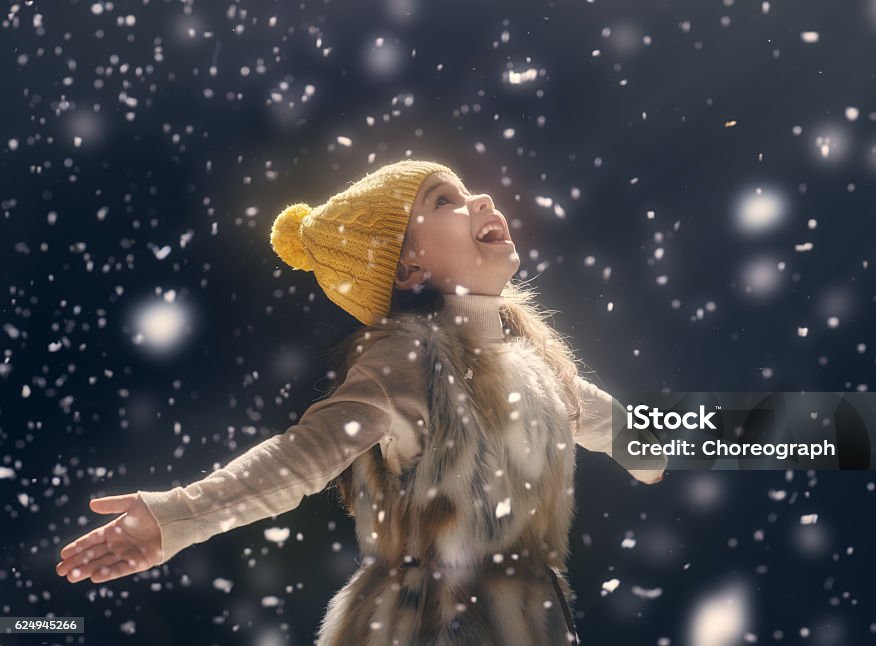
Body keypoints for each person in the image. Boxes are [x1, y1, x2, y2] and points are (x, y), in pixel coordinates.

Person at [55, 159, 667, 645]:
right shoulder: (409, 359)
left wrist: (753, 430)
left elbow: (642, 434)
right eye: (444, 201)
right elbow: (302, 457)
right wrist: (178, 516)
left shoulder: (534, 363)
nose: (481, 200)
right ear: (407, 267)